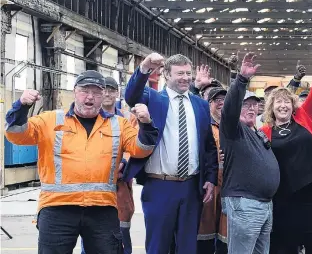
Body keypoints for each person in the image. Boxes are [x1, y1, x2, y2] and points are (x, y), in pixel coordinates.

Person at [5, 70, 159, 254]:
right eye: (85, 90)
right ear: (74, 91)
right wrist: (21, 106)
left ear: (103, 95)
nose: (90, 97)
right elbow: (16, 135)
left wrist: (147, 124)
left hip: (102, 207)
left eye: (96, 92)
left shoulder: (119, 124)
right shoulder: (50, 120)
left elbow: (142, 149)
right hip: (57, 207)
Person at [123, 54, 218, 254]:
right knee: (158, 246)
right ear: (166, 74)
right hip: (159, 186)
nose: (185, 78)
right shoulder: (154, 98)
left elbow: (208, 145)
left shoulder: (200, 105)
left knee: (187, 247)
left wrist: (210, 178)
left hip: (191, 187)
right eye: (179, 73)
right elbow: (131, 95)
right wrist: (144, 68)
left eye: (188, 73)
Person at [260, 46, 312, 253]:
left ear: (293, 105)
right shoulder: (264, 130)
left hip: (309, 189)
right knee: (284, 241)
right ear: (271, 107)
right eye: (278, 102)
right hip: (281, 193)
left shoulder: (303, 118)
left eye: (287, 102)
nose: (283, 106)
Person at [220, 52, 280, 253]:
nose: (252, 108)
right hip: (244, 204)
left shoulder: (257, 132)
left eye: (255, 104)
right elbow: (229, 108)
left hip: (264, 205)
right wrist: (242, 79)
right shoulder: (232, 129)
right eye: (246, 105)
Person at [81, 76, 140, 254]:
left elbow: (135, 144)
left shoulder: (129, 118)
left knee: (121, 231)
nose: (107, 94)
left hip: (120, 184)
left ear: (117, 93)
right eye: (103, 90)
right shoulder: (88, 117)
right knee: (91, 233)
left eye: (111, 90)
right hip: (94, 185)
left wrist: (123, 162)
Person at [198, 87, 229, 254]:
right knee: (205, 233)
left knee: (225, 235)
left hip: (228, 189)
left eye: (225, 99)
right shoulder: (202, 127)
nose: (221, 103)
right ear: (208, 104)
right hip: (208, 188)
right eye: (217, 100)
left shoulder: (234, 127)